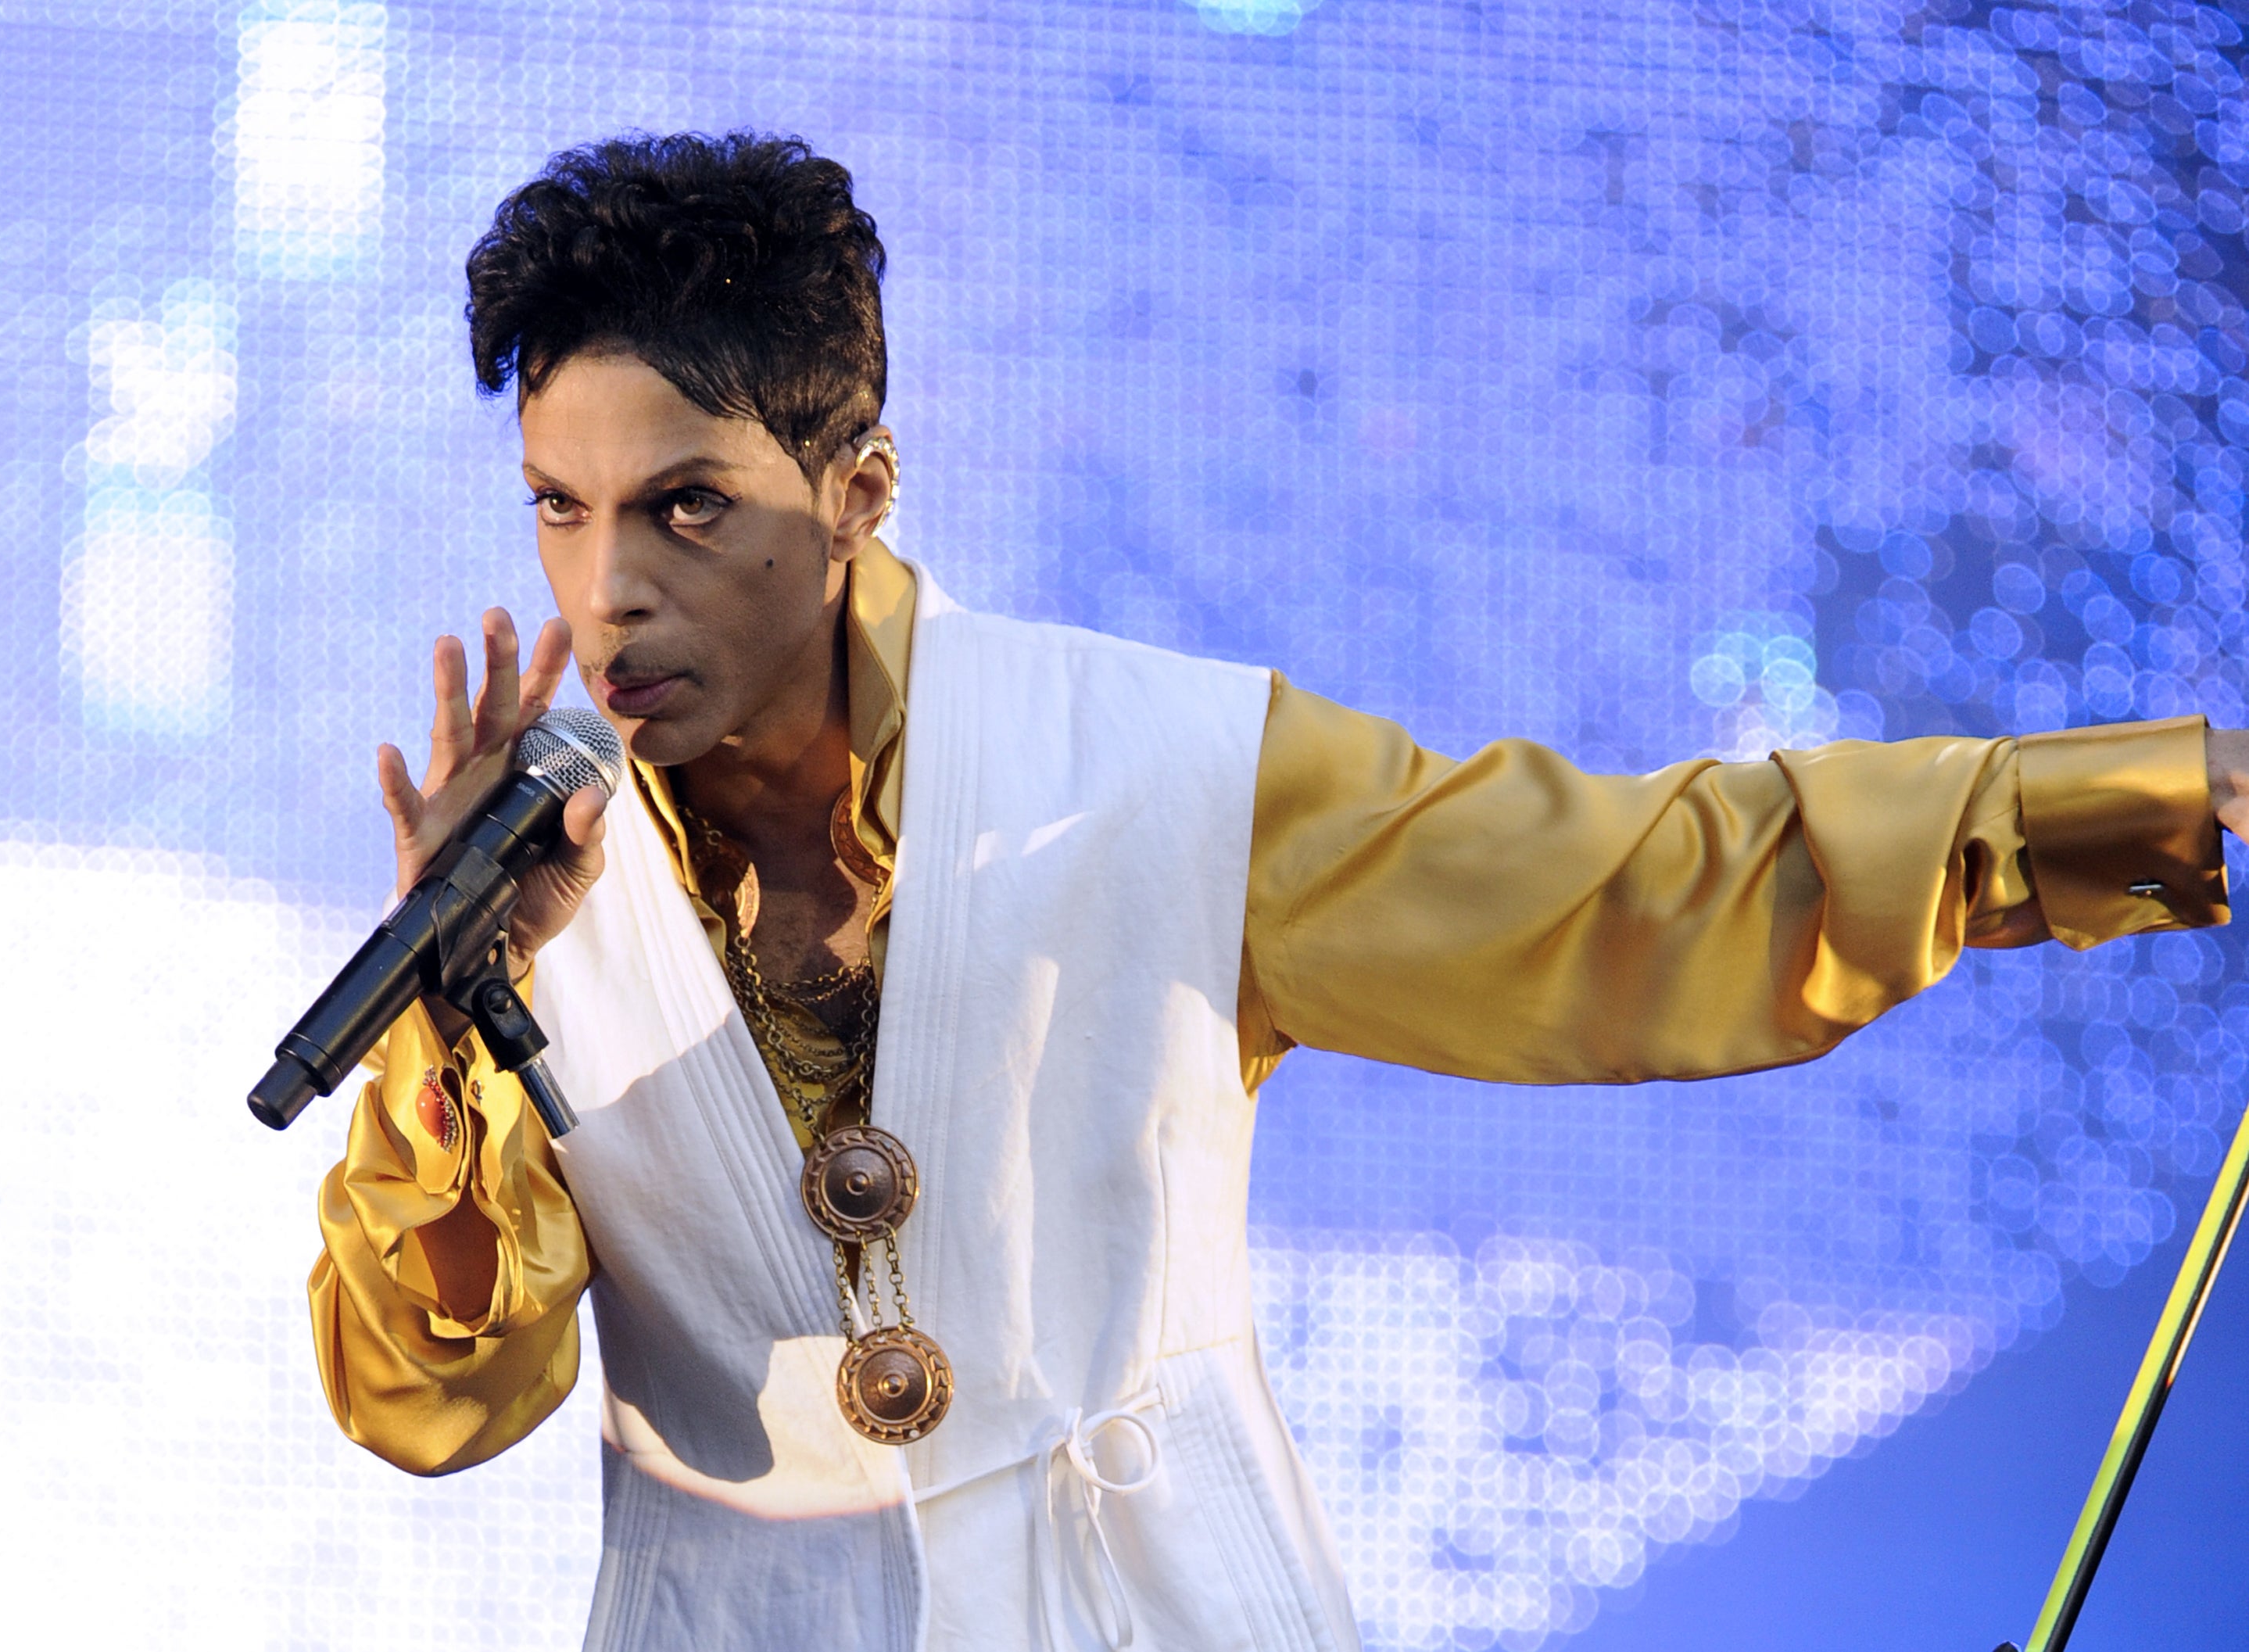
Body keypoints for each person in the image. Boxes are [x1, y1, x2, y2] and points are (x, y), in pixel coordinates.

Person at [308, 131, 2247, 1652]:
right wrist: (446, 1020)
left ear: (859, 489)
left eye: (685, 503)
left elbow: (1647, 885)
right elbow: (428, 1399)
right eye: (561, 505)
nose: (606, 587)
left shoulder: (1149, 774)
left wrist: (2141, 803)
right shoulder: (529, 876)